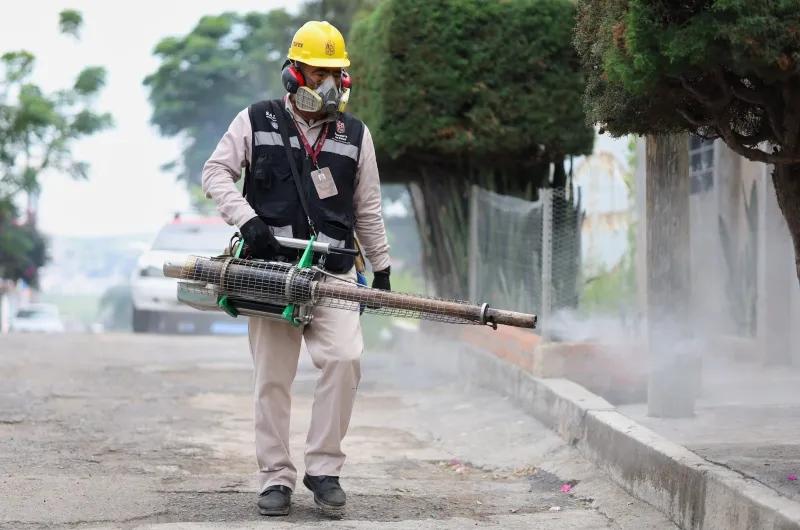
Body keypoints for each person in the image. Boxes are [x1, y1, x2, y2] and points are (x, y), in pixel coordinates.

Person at [201, 20, 391, 517]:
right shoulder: (256, 119)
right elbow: (215, 172)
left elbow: (368, 208)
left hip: (334, 270)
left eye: (334, 74)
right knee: (272, 378)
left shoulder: (355, 135)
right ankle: (275, 478)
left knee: (345, 359)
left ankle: (324, 469)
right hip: (271, 272)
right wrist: (246, 219)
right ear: (294, 74)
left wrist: (382, 266)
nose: (327, 84)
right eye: (317, 73)